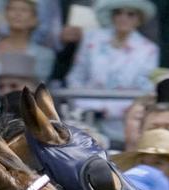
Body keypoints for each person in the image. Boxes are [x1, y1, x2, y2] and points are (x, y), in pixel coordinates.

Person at [64, 0, 158, 145]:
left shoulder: (148, 49)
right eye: (118, 13)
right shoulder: (92, 38)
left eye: (130, 14)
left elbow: (144, 89)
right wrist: (86, 106)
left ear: (139, 19)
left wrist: (107, 110)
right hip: (84, 118)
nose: (123, 17)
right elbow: (76, 76)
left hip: (121, 125)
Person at [0, 0, 54, 91]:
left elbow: (38, 87)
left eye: (24, 10)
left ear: (35, 19)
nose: (17, 14)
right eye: (12, 9)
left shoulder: (44, 54)